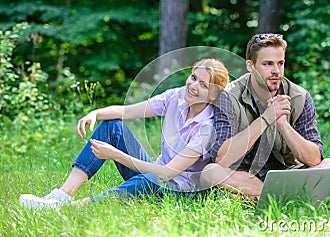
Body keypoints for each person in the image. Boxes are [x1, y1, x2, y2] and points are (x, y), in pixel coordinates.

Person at [19, 58, 230, 209]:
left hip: (179, 192)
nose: (193, 85)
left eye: (203, 85)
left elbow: (166, 173)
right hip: (155, 175)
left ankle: (67, 209)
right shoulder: (176, 97)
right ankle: (62, 195)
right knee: (112, 125)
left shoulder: (207, 129)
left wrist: (115, 155)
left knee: (150, 180)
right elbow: (127, 111)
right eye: (193, 77)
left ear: (213, 95)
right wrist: (95, 113)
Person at [200, 34, 330, 198]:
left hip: (285, 173)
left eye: (280, 63)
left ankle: (259, 198)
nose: (276, 71)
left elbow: (314, 159)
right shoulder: (228, 97)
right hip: (244, 176)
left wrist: (283, 125)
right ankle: (284, 196)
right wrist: (266, 118)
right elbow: (222, 158)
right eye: (268, 64)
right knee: (210, 172)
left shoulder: (299, 97)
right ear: (250, 66)